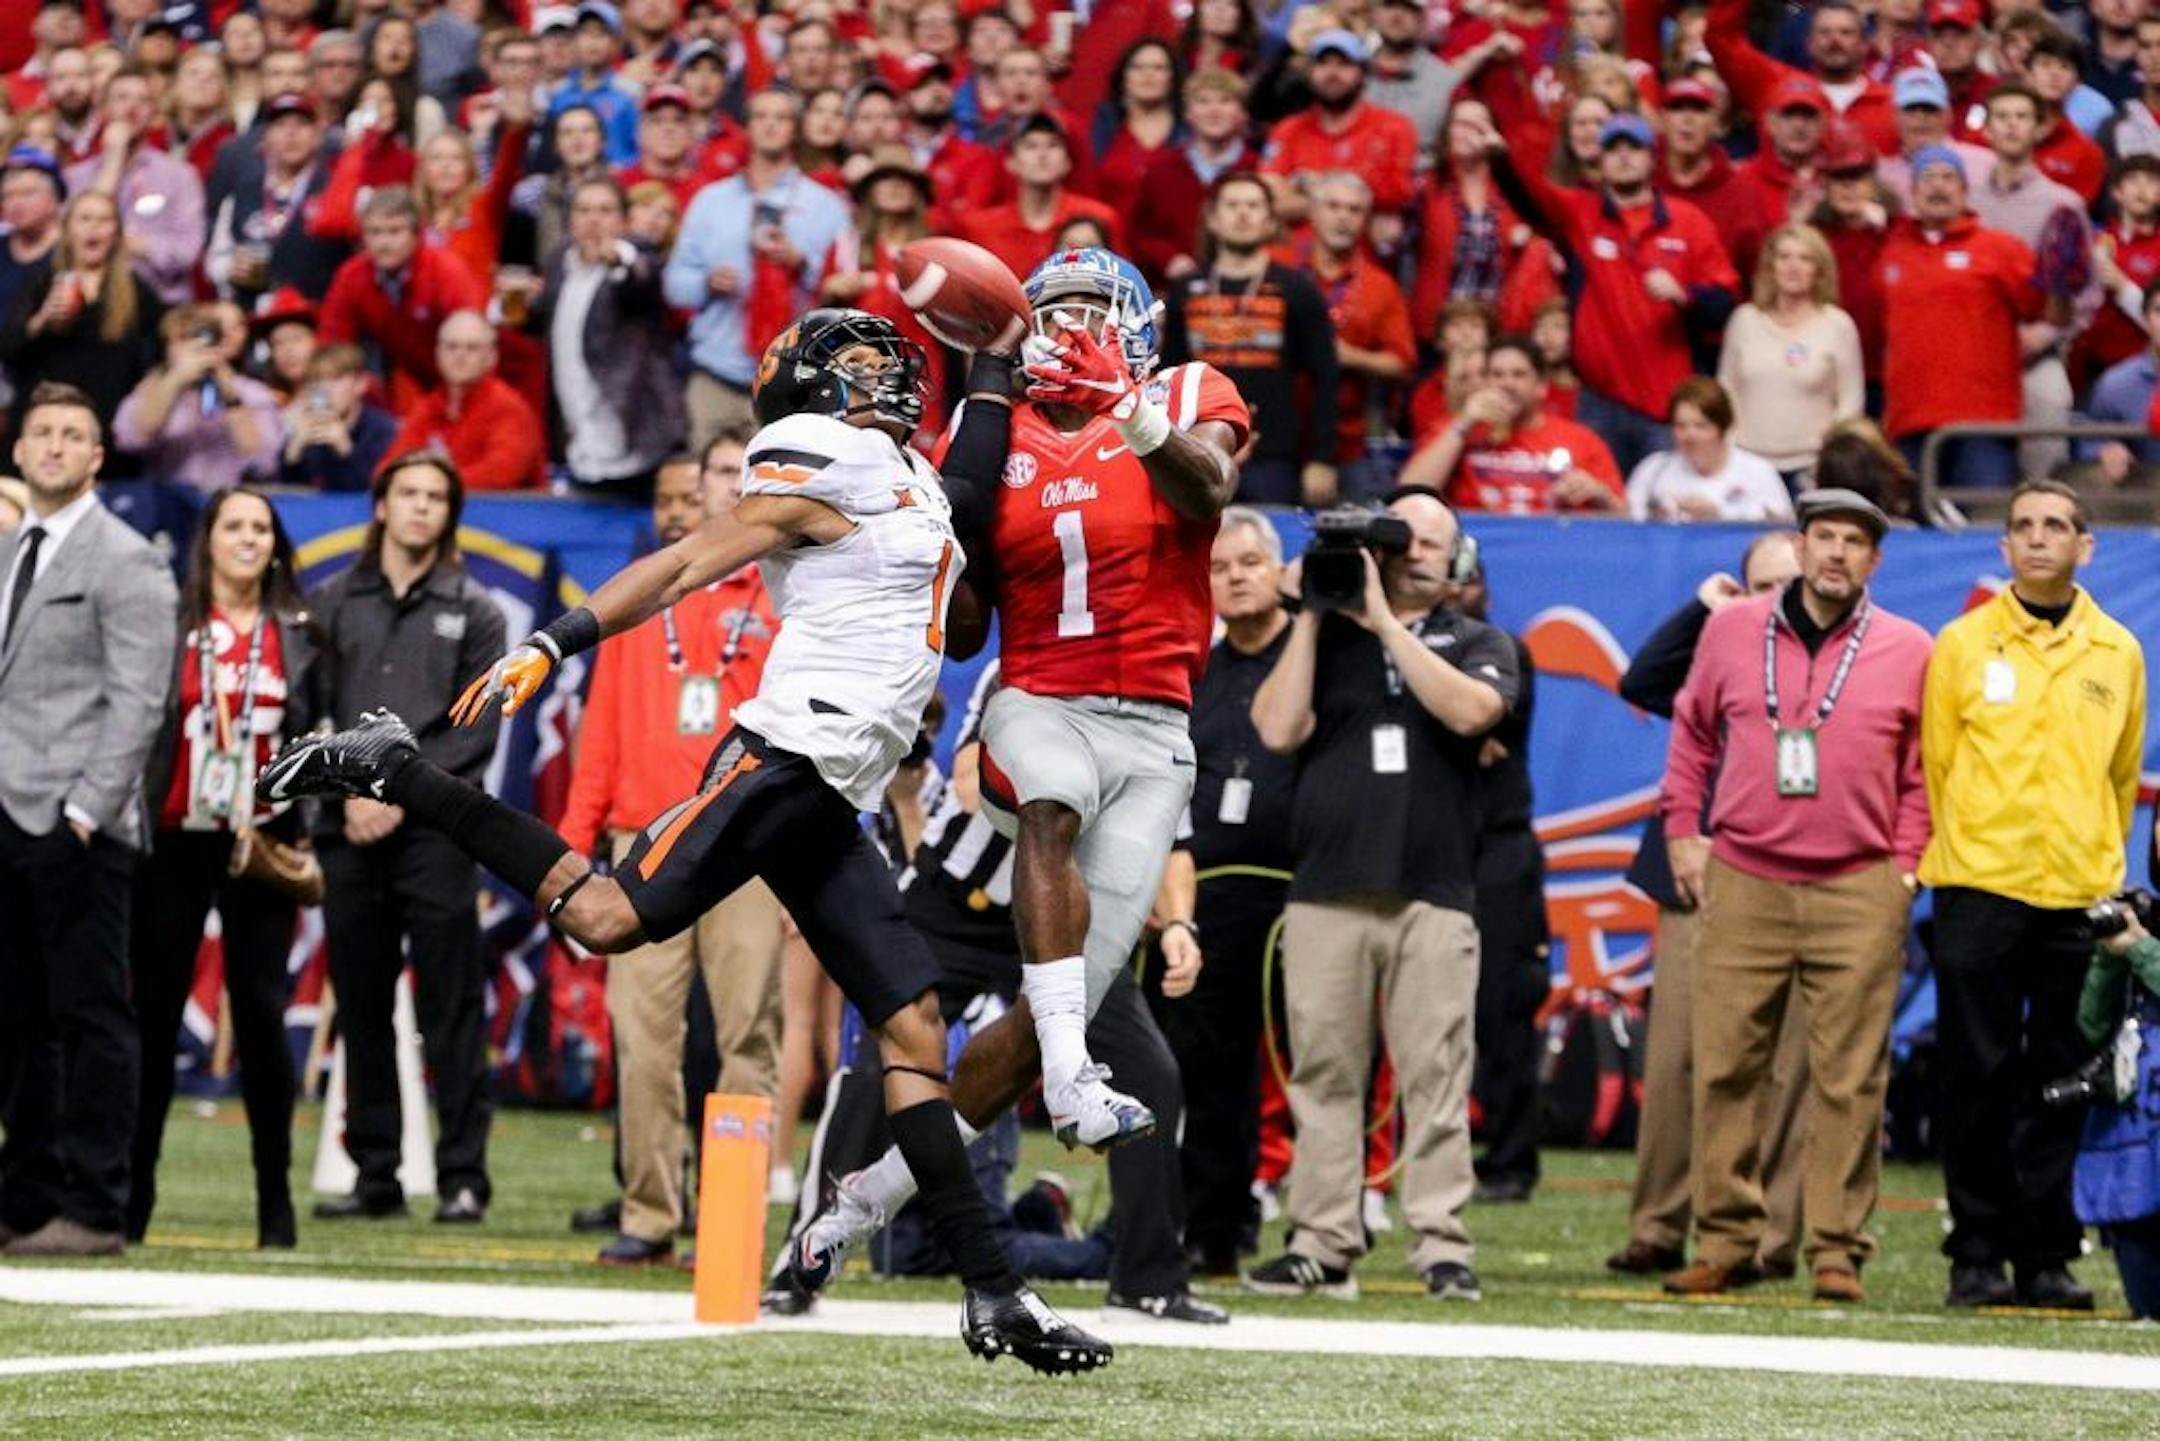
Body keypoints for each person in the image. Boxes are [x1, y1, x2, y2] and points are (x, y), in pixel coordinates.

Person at [258, 308, 1116, 1374]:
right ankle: (397, 766)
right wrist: (553, 639)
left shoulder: (910, 477)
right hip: (785, 760)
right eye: (854, 365)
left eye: (885, 361)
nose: (884, 377)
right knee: (611, 917)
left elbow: (974, 501)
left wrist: (992, 362)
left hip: (831, 790)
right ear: (807, 390)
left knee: (915, 1028)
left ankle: (995, 1294)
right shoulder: (827, 462)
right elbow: (686, 565)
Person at [783, 253, 1248, 1307]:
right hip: (1034, 718)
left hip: (1153, 731)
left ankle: (863, 1205)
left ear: (1137, 327)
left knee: (1051, 1029)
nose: (1074, 328)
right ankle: (820, 1230)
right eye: (1057, 313)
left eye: (1094, 312)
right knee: (1044, 801)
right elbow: (964, 623)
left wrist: (1124, 410)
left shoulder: (1181, 394)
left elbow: (1207, 486)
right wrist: (948, 544)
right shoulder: (1001, 434)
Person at [1244, 488, 1519, 1302]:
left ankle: (1441, 1243)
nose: (1419, 551)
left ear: (1460, 555)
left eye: (1436, 538)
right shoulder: (1324, 636)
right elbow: (1276, 728)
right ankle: (1322, 1239)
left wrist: (1387, 624)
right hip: (1326, 885)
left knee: (1437, 1073)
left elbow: (1474, 712)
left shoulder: (1479, 639)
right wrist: (1320, 615)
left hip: (1432, 889)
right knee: (1323, 1071)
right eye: (1406, 536)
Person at [1661, 489, 1931, 1304]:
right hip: (1745, 873)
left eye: (1855, 540)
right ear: (1801, 546)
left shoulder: (1909, 647)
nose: (1837, 553)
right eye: (1824, 537)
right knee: (1726, 1066)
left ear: (1874, 560)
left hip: (1859, 881)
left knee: (1851, 1077)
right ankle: (1727, 1239)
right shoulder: (1732, 628)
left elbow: (1922, 769)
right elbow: (1693, 729)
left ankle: (1836, 1248)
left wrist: (1906, 864)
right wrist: (1682, 829)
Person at [1920, 480, 2148, 1311]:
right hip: (1979, 883)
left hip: (2079, 889)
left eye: (2057, 525)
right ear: (2004, 546)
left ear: (2086, 545)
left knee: (2064, 1080)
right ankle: (1975, 1252)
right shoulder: (1962, 643)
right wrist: (1968, 845)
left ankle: (2046, 1253)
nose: (2039, 538)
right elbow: (1938, 764)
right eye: (2023, 526)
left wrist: (2097, 861)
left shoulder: (2118, 651)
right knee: (1974, 1075)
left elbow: (2120, 774)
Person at [557, 444, 784, 1267]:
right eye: (701, 480)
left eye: (726, 477)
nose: (704, 494)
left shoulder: (786, 587)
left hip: (745, 839)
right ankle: (649, 1210)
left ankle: (731, 1217)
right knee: (641, 1032)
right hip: (641, 840)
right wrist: (575, 849)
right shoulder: (647, 590)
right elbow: (602, 732)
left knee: (747, 1034)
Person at [303, 453, 505, 1226]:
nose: (420, 508)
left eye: (435, 497)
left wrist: (391, 791)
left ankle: (462, 1176)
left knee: (450, 1005)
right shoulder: (329, 602)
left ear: (448, 514)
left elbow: (476, 726)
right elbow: (311, 717)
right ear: (381, 505)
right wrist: (351, 795)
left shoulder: (477, 610)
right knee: (360, 1003)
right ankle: (375, 1173)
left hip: (437, 830)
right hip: (345, 827)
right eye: (407, 494)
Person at [0, 382, 177, 1259]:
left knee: (92, 1013)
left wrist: (83, 810)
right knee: (15, 1018)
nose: (57, 447)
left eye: (75, 434)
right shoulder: (7, 550)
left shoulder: (127, 556)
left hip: (78, 822)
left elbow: (140, 699)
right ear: (20, 449)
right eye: (44, 433)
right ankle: (25, 1197)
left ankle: (96, 1205)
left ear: (99, 458)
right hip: (4, 816)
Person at [1606, 534, 1813, 1281]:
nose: (1772, 600)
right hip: (1700, 875)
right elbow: (1641, 679)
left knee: (1788, 1066)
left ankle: (1769, 1238)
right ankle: (1659, 1226)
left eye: (1785, 584)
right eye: (1757, 585)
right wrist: (1703, 609)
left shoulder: (1838, 662)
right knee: (1679, 1061)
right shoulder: (1718, 653)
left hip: (1799, 875)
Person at [127, 487, 321, 1251]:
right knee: (151, 1021)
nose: (246, 539)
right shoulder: (171, 628)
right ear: (206, 540)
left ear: (276, 544)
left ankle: (275, 1206)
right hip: (172, 836)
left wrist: (302, 816)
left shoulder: (301, 633)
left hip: (259, 841)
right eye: (232, 525)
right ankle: (130, 1196)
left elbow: (321, 735)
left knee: (264, 1019)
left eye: (259, 528)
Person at [1148, 506, 1297, 1277]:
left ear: (1279, 570)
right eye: (1221, 566)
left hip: (1299, 890)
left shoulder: (1311, 653)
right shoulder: (1193, 668)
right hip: (1203, 892)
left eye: (1250, 562)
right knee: (1206, 1070)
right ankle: (1213, 1229)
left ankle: (1320, 1233)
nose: (1236, 576)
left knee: (1316, 1066)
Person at [1477, 107, 1740, 476]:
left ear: (1652, 158)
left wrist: (1685, 296)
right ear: (1599, 160)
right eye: (1613, 149)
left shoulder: (1688, 222)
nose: (1623, 157)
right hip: (1599, 399)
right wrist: (1501, 159)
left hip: (1666, 405)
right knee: (1594, 509)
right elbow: (1530, 196)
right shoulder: (1580, 214)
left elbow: (1725, 302)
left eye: (1634, 148)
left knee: (1660, 514)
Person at [663, 89, 851, 453]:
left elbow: (846, 293)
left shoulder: (827, 207)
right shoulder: (710, 201)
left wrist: (803, 265)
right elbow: (674, 284)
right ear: (747, 129)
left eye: (780, 118)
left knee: (782, 497)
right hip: (717, 374)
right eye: (761, 117)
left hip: (795, 379)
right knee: (709, 492)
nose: (770, 126)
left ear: (795, 130)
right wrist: (706, 283)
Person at [1160, 173, 1337, 506]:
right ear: (1212, 219)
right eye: (1232, 205)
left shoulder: (1299, 290)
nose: (1242, 214)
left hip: (1274, 457)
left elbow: (1325, 377)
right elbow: (1167, 375)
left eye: (1254, 206)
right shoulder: (1184, 289)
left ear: (1271, 221)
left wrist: (1322, 458)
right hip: (1196, 449)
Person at [1877, 146, 2046, 491]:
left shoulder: (2001, 248)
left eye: (1948, 177)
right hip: (1909, 423)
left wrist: (2060, 283)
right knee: (1912, 534)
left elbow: (2043, 309)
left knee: (1981, 532)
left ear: (1965, 190)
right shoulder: (1889, 252)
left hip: (1983, 423)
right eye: (1928, 178)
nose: (1938, 186)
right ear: (1912, 191)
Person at [534, 177, 684, 498]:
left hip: (637, 443)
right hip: (578, 445)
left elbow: (641, 280)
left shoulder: (639, 256)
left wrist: (618, 259)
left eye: (605, 210)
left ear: (624, 220)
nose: (593, 219)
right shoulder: (561, 260)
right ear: (570, 219)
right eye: (583, 210)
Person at [0, 190, 163, 455]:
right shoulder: (41, 282)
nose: (94, 227)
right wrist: (42, 320)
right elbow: (6, 347)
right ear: (68, 230)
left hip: (106, 433)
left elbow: (163, 344)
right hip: (42, 426)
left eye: (104, 220)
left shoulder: (136, 291)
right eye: (85, 218)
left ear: (116, 233)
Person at [1292, 171, 1415, 500]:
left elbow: (1403, 363)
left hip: (1347, 443)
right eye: (1333, 206)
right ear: (1313, 213)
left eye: (1354, 210)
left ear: (1366, 219)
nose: (1343, 218)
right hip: (1274, 439)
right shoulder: (1279, 267)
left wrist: (1349, 356)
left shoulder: (1380, 285)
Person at [1399, 334, 1623, 514]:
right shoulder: (1455, 429)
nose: (1507, 383)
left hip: (1553, 551)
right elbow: (1409, 493)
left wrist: (1598, 494)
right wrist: (1463, 424)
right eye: (1497, 374)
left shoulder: (1581, 439)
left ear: (1542, 386)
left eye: (1518, 375)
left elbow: (1626, 519)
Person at [316, 185, 488, 413]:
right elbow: (331, 347)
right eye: (374, 232)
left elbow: (473, 345)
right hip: (422, 382)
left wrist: (456, 404)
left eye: (394, 231)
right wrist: (322, 406)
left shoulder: (445, 271)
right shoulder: (353, 276)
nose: (383, 243)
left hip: (483, 379)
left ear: (417, 234)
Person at [1716, 221, 1865, 480]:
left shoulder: (1837, 325)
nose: (1793, 267)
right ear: (1770, 266)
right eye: (1784, 257)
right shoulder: (1744, 320)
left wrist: (1827, 461)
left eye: (1805, 259)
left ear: (1819, 269)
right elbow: (1726, 391)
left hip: (1811, 467)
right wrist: (1730, 456)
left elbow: (1850, 403)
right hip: (1747, 466)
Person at [2073, 907, 2160, 1320]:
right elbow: (2091, 1025)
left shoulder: (2144, 941)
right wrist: (2109, 958)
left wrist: (2141, 950)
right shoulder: (2146, 920)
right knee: (2147, 1305)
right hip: (2138, 1145)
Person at [61, 65, 204, 305]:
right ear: (104, 108)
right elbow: (68, 247)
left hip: (161, 301)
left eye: (143, 100)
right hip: (91, 302)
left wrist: (136, 244)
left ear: (153, 111)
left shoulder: (180, 176)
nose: (132, 107)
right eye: (122, 98)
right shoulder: (75, 178)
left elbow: (187, 252)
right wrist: (113, 162)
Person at [112, 302, 284, 492]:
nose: (194, 348)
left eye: (201, 337)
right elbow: (130, 440)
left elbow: (264, 462)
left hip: (229, 500)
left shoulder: (252, 393)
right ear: (166, 348)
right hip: (167, 504)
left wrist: (228, 392)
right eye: (182, 339)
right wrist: (175, 381)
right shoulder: (150, 390)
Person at [1257, 29, 1417, 229]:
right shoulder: (1288, 129)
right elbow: (1267, 201)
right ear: (1310, 72)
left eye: (1344, 64)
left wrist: (1311, 185)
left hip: (1365, 255)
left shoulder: (1395, 127)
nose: (1332, 73)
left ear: (1363, 74)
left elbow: (1397, 199)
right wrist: (1351, 198)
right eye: (1323, 64)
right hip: (1296, 254)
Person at [203, 92, 345, 309]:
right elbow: (216, 258)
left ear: (318, 135)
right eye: (280, 125)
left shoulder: (337, 188)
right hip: (252, 314)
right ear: (265, 137)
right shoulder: (243, 189)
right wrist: (228, 267)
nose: (291, 134)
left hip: (314, 313)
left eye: (302, 124)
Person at [385, 310, 546, 492]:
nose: (460, 355)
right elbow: (390, 468)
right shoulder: (428, 406)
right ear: (437, 354)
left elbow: (500, 476)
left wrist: (431, 487)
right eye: (451, 347)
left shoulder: (510, 410)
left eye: (472, 348)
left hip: (504, 515)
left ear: (492, 357)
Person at [1128, 68, 1258, 287]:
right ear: (1188, 113)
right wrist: (1168, 259)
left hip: (1247, 287)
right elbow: (1140, 234)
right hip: (1173, 290)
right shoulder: (1160, 171)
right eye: (1203, 101)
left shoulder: (1258, 169)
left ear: (1241, 114)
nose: (1214, 110)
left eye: (1225, 101)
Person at [957, 115, 1122, 284]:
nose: (1043, 154)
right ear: (1010, 162)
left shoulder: (1101, 219)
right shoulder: (981, 228)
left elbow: (1125, 284)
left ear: (1067, 161)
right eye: (1030, 146)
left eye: (1053, 145)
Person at [1626, 377, 1794, 522]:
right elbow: (1628, 521)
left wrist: (1718, 515)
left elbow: (1780, 528)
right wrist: (1655, 518)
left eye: (1701, 426)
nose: (1689, 436)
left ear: (1722, 428)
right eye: (1681, 426)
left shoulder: (1758, 471)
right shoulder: (1653, 470)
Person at [279, 342, 398, 492]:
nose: (326, 390)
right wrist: (293, 451)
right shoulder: (309, 428)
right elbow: (290, 491)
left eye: (335, 380)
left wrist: (345, 449)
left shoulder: (381, 430)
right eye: (317, 381)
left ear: (360, 384)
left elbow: (379, 489)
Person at [0, 146, 65, 322]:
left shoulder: (72, 253)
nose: (16, 204)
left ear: (55, 199)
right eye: (8, 196)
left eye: (27, 193)